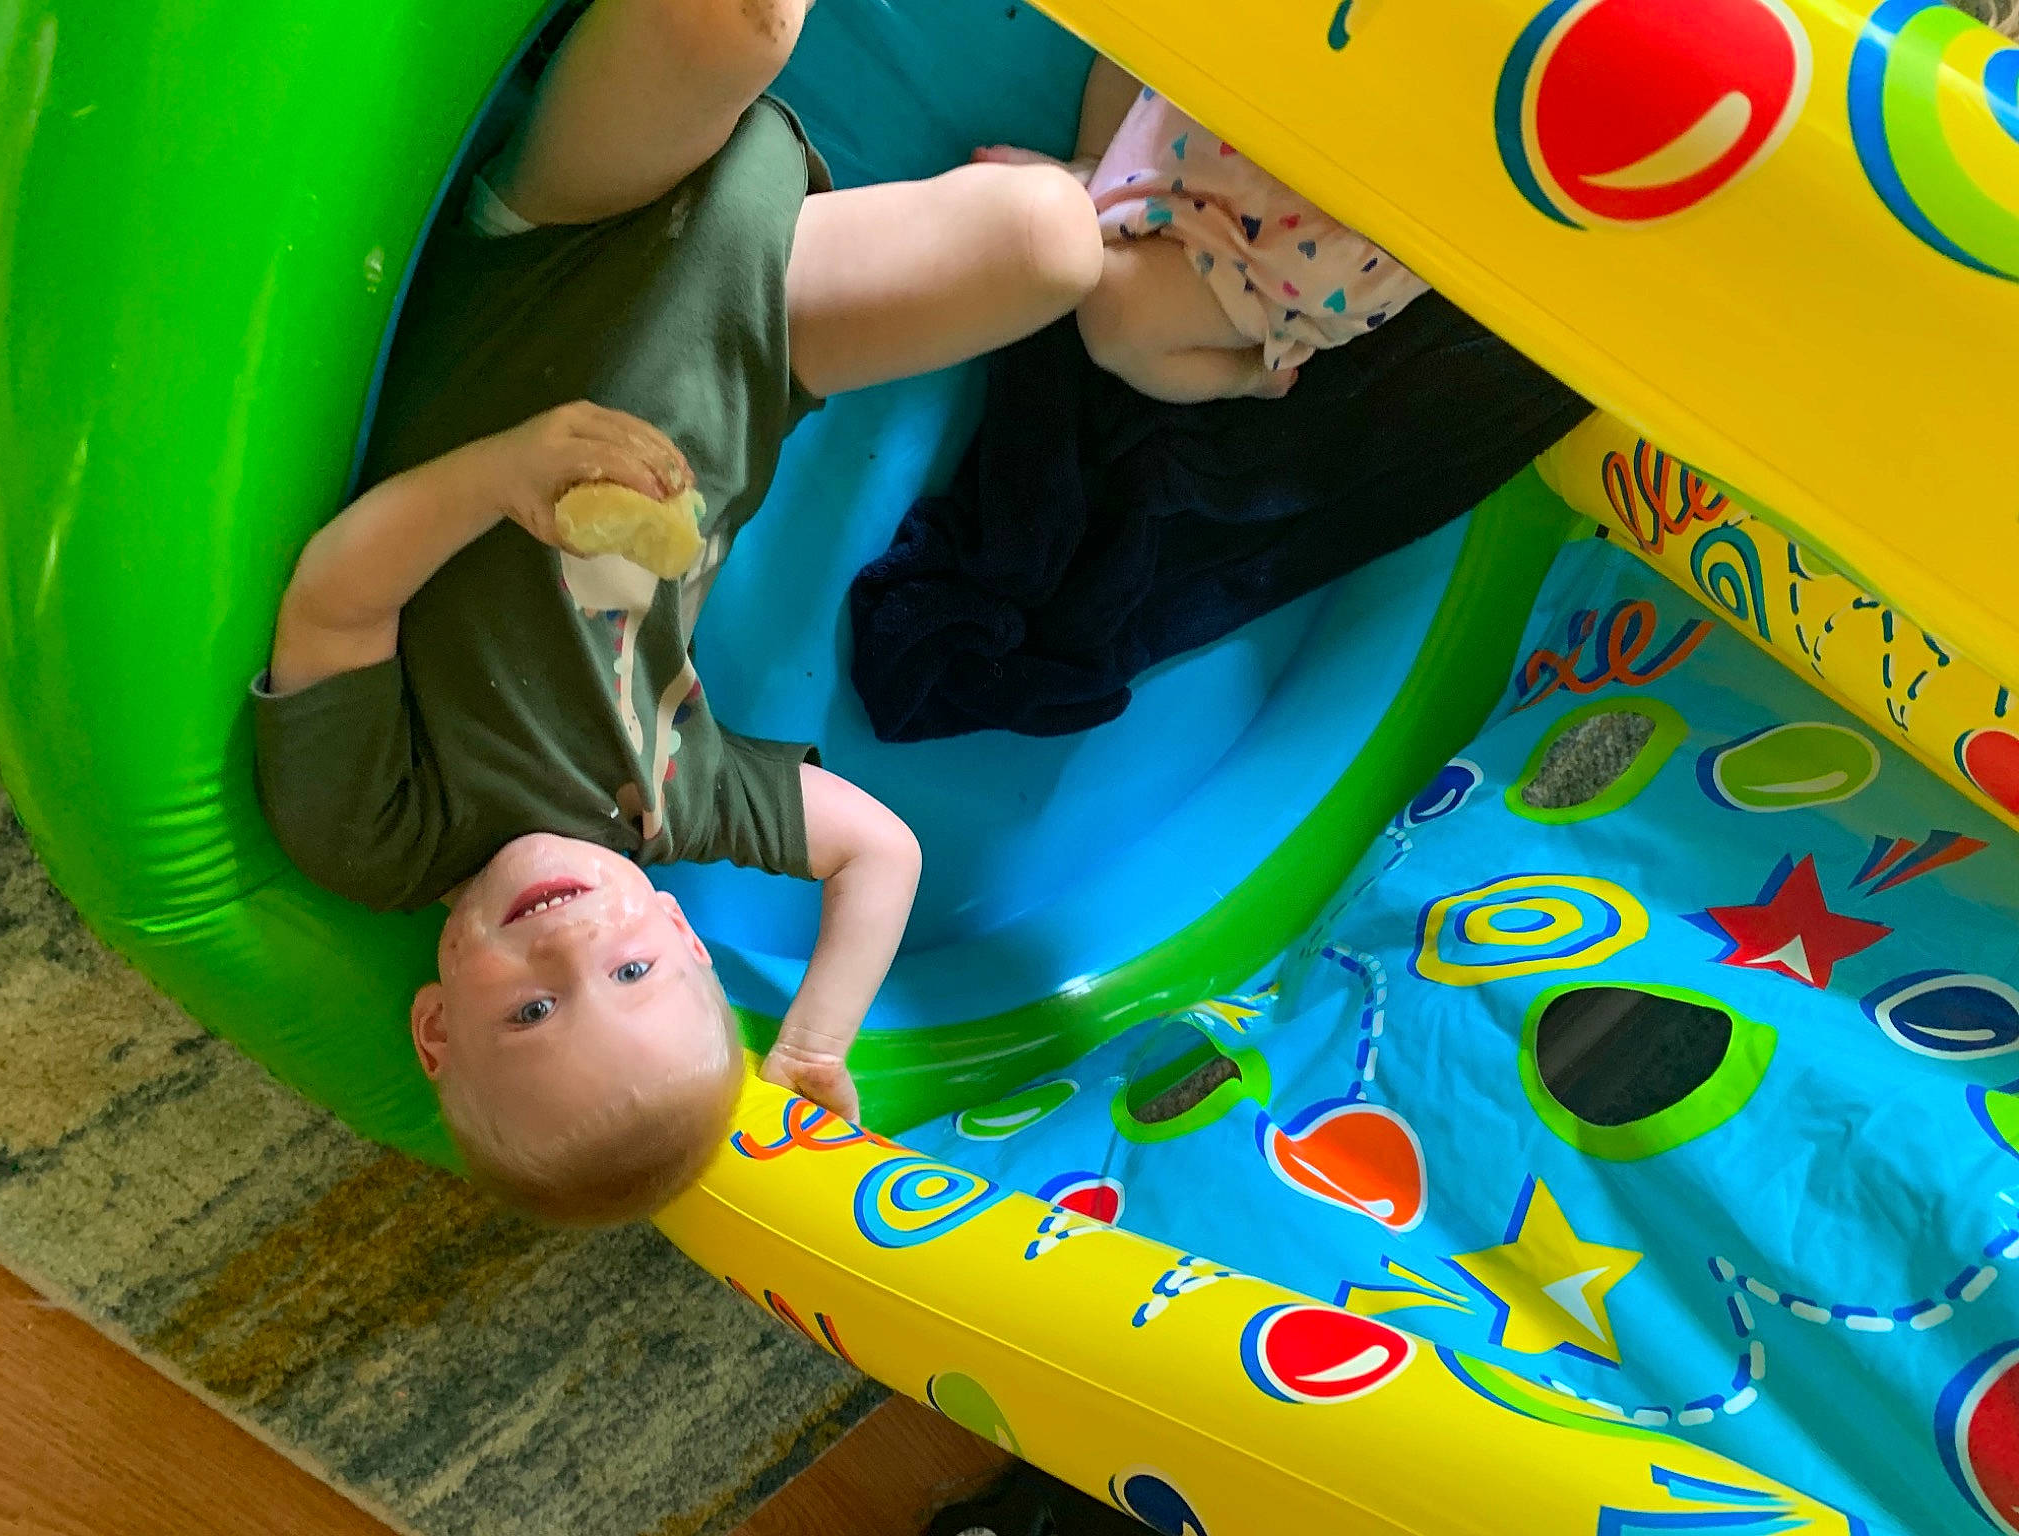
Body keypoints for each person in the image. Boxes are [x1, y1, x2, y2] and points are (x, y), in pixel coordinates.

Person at [253, 0, 1106, 1226]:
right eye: (633, 970)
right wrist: (812, 1038)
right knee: (1054, 242)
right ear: (683, 936)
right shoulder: (673, 798)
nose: (569, 948)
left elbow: (333, 603)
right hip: (764, 338)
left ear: (437, 1029)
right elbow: (881, 852)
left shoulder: (378, 836)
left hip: (553, 254)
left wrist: (498, 476)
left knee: (737, 23)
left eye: (531, 1011)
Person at [978, 57, 1428, 404]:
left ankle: (1248, 375)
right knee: (1136, 39)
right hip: (1236, 99)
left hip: (1292, 254)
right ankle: (1101, 180)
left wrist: (1247, 377)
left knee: (1114, 315)